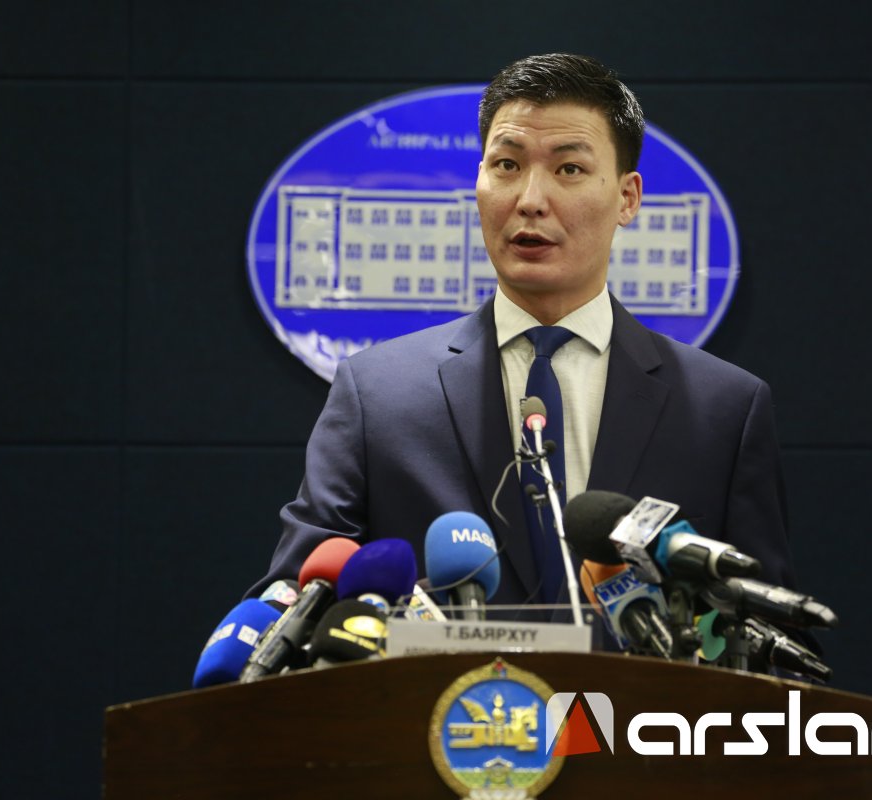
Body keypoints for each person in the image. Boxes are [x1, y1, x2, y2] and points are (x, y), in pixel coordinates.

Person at [247, 53, 798, 608]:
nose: (530, 201)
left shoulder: (723, 409)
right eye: (507, 165)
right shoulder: (377, 394)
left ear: (627, 198)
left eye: (569, 169)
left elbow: (768, 625)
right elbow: (298, 602)